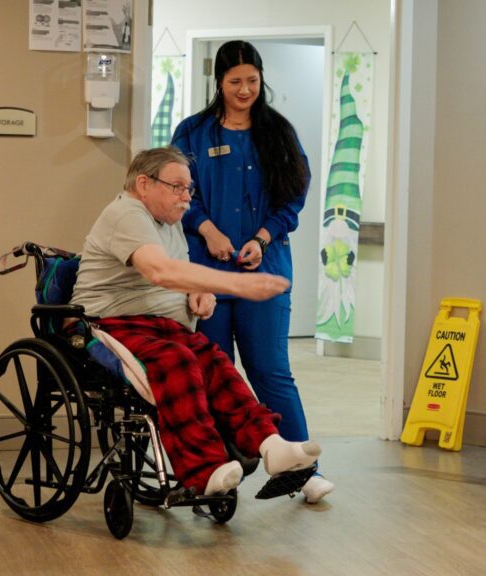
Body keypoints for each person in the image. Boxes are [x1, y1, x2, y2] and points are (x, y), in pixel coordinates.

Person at [70, 147, 321, 497]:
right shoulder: (126, 213)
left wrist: (199, 291)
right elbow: (160, 271)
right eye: (177, 187)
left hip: (162, 326)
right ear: (144, 184)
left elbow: (181, 274)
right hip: (111, 324)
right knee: (178, 362)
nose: (187, 197)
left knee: (215, 360)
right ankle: (205, 469)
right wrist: (237, 284)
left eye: (189, 188)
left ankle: (270, 444)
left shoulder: (169, 222)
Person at [171, 40, 334, 503]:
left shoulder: (278, 132)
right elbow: (178, 193)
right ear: (219, 82)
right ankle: (218, 472)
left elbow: (294, 195)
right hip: (208, 272)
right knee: (215, 374)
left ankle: (304, 470)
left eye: (252, 81)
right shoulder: (193, 133)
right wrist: (208, 231)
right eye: (235, 81)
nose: (244, 90)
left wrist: (261, 238)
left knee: (271, 370)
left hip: (264, 270)